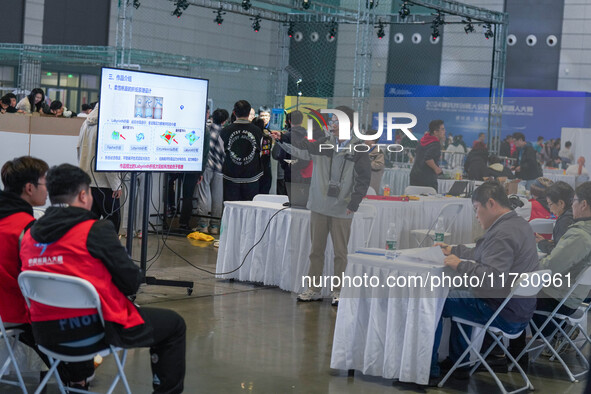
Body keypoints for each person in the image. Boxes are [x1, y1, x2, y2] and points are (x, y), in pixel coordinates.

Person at [19, 164, 186, 393]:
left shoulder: (29, 235)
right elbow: (131, 282)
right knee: (174, 325)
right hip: (93, 334)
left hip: (44, 335)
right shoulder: (95, 230)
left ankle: (78, 381)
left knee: (73, 308)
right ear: (83, 195)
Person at [0, 156, 94, 388]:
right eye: (45, 184)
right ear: (29, 188)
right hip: (17, 314)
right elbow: (46, 282)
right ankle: (77, 381)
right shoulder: (27, 228)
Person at [430, 181, 539, 380]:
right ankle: (459, 361)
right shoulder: (518, 224)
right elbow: (485, 253)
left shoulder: (502, 233)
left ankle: (429, 370)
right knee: (461, 294)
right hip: (520, 309)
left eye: (476, 209)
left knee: (435, 299)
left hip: (501, 311)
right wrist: (454, 250)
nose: (476, 216)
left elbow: (491, 279)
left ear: (491, 203)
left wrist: (460, 265)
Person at [271, 106, 371, 306]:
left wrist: (354, 202)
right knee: (316, 250)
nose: (332, 124)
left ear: (348, 124)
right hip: (318, 205)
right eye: (332, 120)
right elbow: (301, 150)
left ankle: (338, 290)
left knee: (340, 253)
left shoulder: (359, 148)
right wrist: (282, 139)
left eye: (335, 120)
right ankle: (313, 288)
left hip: (343, 208)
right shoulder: (323, 143)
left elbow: (364, 178)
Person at [534, 182, 591, 336]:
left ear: (583, 204)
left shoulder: (580, 235)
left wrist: (527, 267)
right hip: (575, 297)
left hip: (558, 299)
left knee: (507, 295)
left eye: (574, 201)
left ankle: (512, 353)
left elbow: (550, 267)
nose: (571, 206)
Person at [76, 103, 123, 232]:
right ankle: (109, 250)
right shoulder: (107, 125)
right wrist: (116, 184)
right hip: (105, 184)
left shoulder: (85, 123)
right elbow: (108, 158)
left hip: (88, 181)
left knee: (89, 223)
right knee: (112, 222)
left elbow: (78, 148)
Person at [221, 100, 263, 201]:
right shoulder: (257, 131)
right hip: (251, 176)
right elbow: (259, 153)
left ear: (234, 113)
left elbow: (222, 153)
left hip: (231, 175)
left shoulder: (225, 131)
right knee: (249, 210)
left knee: (231, 208)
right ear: (249, 113)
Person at [195, 108, 229, 235]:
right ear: (225, 121)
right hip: (220, 168)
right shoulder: (226, 132)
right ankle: (215, 226)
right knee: (218, 198)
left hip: (206, 167)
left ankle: (203, 225)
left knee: (203, 195)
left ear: (212, 117)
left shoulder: (206, 128)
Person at [536, 181, 574, 254]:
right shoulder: (575, 215)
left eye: (550, 204)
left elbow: (559, 254)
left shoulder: (565, 221)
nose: (550, 209)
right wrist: (545, 242)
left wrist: (542, 244)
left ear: (561, 203)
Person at [409, 120, 446, 190]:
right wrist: (436, 169)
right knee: (431, 199)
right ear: (435, 132)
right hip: (427, 177)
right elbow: (428, 158)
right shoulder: (435, 144)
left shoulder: (423, 140)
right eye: (442, 129)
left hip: (415, 175)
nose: (445, 131)